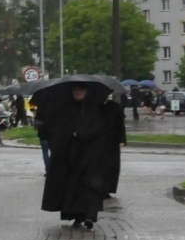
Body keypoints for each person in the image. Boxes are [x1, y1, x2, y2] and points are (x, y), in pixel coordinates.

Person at [41, 83, 127, 231]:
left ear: (86, 91)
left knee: (91, 186)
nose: (78, 92)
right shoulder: (66, 108)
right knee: (74, 187)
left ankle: (89, 216)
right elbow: (57, 129)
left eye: (81, 90)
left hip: (91, 155)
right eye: (75, 90)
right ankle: (77, 216)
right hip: (71, 155)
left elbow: (100, 127)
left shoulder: (95, 108)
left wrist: (82, 134)